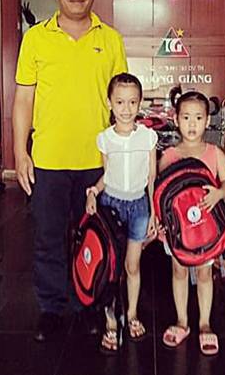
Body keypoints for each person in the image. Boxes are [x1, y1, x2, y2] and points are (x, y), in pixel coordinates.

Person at [12, 0, 128, 342]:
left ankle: (87, 306)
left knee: (92, 237)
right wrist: (20, 153)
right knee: (48, 239)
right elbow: (23, 99)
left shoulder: (110, 40)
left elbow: (122, 101)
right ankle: (51, 309)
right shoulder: (36, 39)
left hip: (96, 163)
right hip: (48, 160)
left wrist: (122, 154)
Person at [85, 73, 158, 353]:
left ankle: (132, 314)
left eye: (132, 102)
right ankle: (111, 321)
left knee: (132, 266)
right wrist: (93, 192)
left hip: (139, 207)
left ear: (140, 103)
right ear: (109, 103)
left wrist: (153, 213)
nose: (126, 109)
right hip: (111, 207)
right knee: (111, 270)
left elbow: (151, 178)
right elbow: (108, 175)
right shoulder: (105, 139)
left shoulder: (148, 137)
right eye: (120, 102)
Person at [158, 91, 225, 356]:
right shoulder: (169, 155)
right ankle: (182, 321)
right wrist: (160, 222)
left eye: (198, 118)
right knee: (178, 271)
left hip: (206, 229)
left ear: (208, 121)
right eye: (186, 117)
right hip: (178, 230)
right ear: (176, 119)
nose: (192, 124)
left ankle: (204, 323)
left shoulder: (214, 153)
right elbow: (161, 194)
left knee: (204, 274)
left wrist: (219, 193)